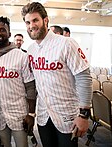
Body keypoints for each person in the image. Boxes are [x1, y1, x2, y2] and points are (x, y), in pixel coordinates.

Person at [21, 2, 92, 147]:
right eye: (27, 22)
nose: (31, 26)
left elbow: (84, 77)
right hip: (43, 116)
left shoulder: (66, 44)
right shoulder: (31, 50)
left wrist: (84, 115)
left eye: (35, 20)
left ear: (45, 20)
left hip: (67, 116)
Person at [0, 16, 37, 147]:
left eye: (2, 30)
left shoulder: (22, 56)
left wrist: (31, 114)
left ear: (9, 34)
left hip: (19, 114)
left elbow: (30, 87)